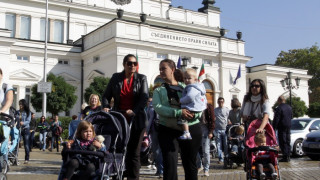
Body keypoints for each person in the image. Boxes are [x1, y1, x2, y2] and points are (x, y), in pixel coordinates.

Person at [153, 59, 202, 180]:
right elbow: (158, 108)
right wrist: (178, 112)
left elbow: (199, 104)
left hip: (191, 128)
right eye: (160, 69)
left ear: (172, 70)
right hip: (168, 130)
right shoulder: (158, 90)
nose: (161, 71)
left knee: (190, 164)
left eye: (163, 68)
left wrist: (194, 115)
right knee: (170, 166)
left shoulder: (187, 87)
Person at [102, 54, 148, 180]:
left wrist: (134, 110)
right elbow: (106, 95)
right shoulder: (116, 77)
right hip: (119, 120)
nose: (132, 65)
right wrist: (105, 106)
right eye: (129, 63)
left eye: (134, 63)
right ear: (124, 64)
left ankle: (133, 177)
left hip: (136, 120)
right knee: (118, 149)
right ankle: (118, 175)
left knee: (134, 152)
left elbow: (144, 97)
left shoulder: (141, 78)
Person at [178, 68, 207, 140]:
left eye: (189, 78)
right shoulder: (199, 87)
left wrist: (181, 100)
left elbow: (190, 97)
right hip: (197, 107)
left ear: (195, 79)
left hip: (192, 107)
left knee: (182, 117)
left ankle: (186, 132)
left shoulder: (192, 87)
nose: (186, 80)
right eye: (185, 78)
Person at [146, 94, 163, 177]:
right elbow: (148, 116)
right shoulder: (152, 104)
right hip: (153, 129)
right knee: (155, 150)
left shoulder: (166, 101)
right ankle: (160, 169)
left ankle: (162, 170)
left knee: (163, 149)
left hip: (164, 128)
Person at [273, 95, 292, 162]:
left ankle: (285, 156)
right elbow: (291, 116)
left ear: (279, 100)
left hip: (281, 126)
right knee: (288, 140)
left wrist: (273, 127)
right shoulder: (289, 107)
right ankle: (288, 155)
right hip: (288, 125)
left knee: (282, 141)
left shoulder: (279, 108)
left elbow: (277, 119)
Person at [0, 68, 14, 158]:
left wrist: (2, 110)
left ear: (1, 75)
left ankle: (4, 160)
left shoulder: (6, 87)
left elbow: (9, 101)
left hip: (4, 118)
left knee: (4, 140)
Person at [199, 103, 215, 176]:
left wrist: (211, 131)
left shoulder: (208, 106)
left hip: (205, 129)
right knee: (194, 150)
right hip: (196, 128)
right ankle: (199, 165)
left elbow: (212, 119)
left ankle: (206, 169)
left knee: (205, 151)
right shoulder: (194, 104)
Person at [214, 97, 229, 164]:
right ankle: (221, 158)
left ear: (223, 102)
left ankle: (226, 157)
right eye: (219, 102)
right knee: (218, 145)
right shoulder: (215, 110)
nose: (221, 103)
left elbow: (229, 118)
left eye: (222, 101)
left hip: (225, 129)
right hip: (217, 130)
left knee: (226, 144)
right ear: (217, 102)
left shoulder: (226, 109)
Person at [16, 99, 31, 164]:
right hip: (18, 129)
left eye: (21, 104)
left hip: (25, 129)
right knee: (16, 144)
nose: (20, 105)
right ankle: (15, 158)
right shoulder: (17, 112)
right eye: (19, 104)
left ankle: (26, 159)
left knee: (26, 145)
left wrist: (23, 123)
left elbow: (28, 121)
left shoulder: (28, 112)